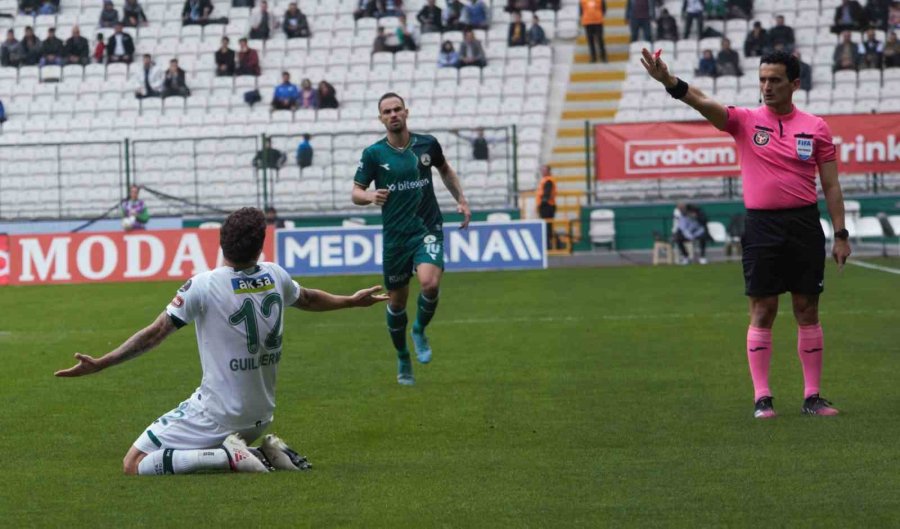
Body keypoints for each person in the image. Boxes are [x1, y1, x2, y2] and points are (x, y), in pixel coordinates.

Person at [55, 207, 389, 475]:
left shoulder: (204, 285)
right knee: (187, 444)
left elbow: (155, 334)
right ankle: (263, 452)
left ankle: (228, 456)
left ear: (220, 242)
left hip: (218, 414)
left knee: (135, 463)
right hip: (261, 414)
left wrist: (102, 363)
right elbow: (310, 298)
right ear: (260, 247)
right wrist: (350, 300)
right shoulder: (275, 275)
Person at [640, 48, 851, 419]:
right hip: (761, 227)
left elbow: (831, 186)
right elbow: (703, 102)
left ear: (795, 84)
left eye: (775, 80)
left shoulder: (816, 127)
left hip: (804, 224)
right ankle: (762, 397)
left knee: (807, 308)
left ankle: (813, 396)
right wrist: (670, 83)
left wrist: (841, 234)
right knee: (763, 309)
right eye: (763, 79)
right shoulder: (746, 121)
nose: (766, 87)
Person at [352, 93, 471, 386]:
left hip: (427, 228)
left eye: (396, 109)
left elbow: (444, 169)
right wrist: (369, 196)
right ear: (381, 118)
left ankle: (419, 329)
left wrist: (461, 199)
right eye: (386, 111)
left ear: (406, 112)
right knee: (397, 302)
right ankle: (403, 355)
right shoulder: (374, 155)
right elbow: (356, 192)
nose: (393, 114)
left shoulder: (426, 144)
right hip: (395, 237)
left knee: (430, 283)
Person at [536, 165, 557, 249]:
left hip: (547, 206)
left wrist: (542, 203)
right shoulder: (546, 180)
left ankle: (548, 245)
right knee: (547, 226)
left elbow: (546, 194)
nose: (542, 172)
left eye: (544, 170)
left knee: (547, 226)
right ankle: (548, 244)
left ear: (548, 171)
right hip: (547, 206)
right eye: (542, 170)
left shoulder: (548, 180)